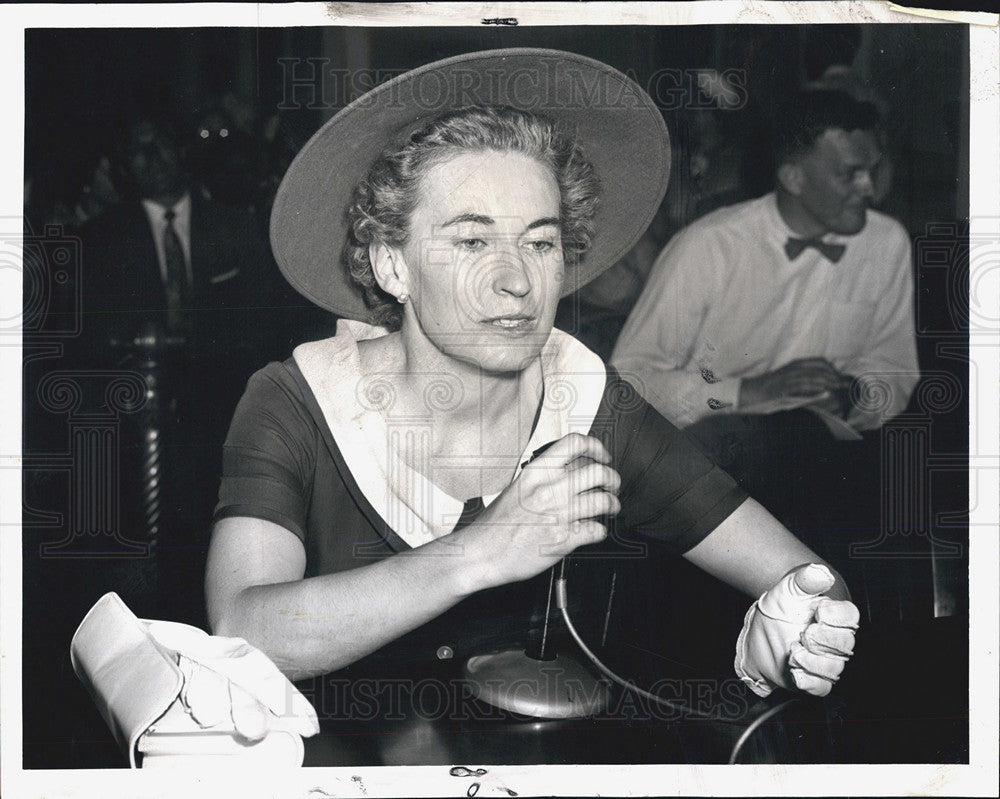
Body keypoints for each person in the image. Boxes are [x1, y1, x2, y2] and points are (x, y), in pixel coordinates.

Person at [205, 50, 859, 707]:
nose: (517, 280)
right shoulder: (298, 401)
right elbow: (241, 630)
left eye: (540, 242)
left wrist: (790, 633)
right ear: (393, 268)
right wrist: (477, 553)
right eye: (471, 241)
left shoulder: (589, 402)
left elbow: (811, 579)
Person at [610, 89, 918, 544]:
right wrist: (750, 391)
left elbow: (894, 366)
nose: (869, 189)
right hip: (712, 469)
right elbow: (626, 386)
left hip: (828, 465)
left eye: (873, 170)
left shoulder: (887, 242)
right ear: (793, 177)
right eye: (850, 174)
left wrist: (857, 396)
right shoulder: (709, 247)